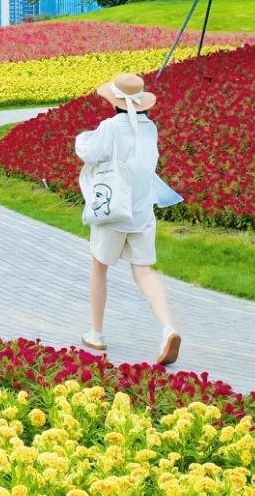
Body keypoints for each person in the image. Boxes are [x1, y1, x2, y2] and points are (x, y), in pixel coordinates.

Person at [74, 70, 181, 365]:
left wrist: (81, 139)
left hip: (113, 211)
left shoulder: (109, 127)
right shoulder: (150, 129)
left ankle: (96, 333)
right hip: (142, 211)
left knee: (99, 267)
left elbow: (90, 153)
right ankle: (168, 328)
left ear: (114, 101)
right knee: (144, 271)